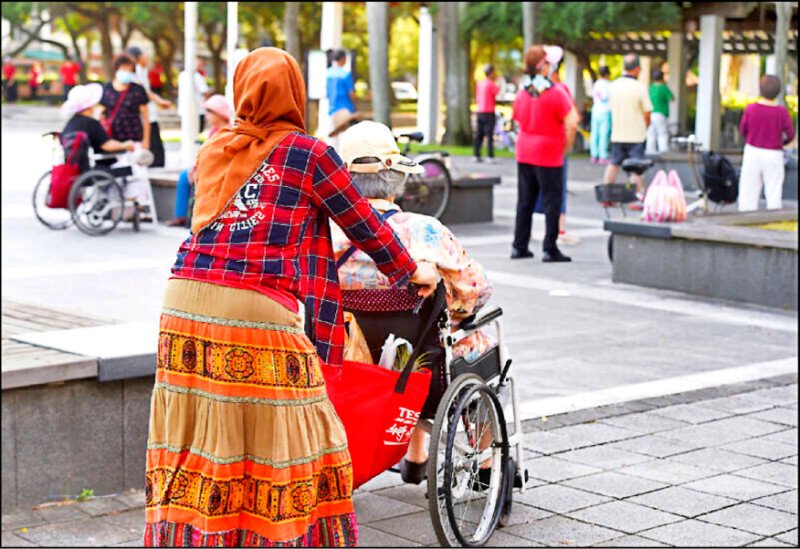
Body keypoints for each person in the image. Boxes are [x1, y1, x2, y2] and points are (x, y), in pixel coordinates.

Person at [143, 47, 438, 547]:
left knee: (208, 435)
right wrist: (412, 271)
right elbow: (365, 224)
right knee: (299, 432)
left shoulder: (215, 146)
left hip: (182, 304)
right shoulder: (309, 152)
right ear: (294, 93)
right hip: (252, 304)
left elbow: (216, 230)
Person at [331, 120, 497, 484]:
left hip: (354, 368)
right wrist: (457, 311)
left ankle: (416, 457)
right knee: (474, 339)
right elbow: (474, 291)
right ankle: (486, 467)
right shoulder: (425, 231)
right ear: (395, 179)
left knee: (419, 339)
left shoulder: (330, 237)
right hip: (428, 374)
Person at [512, 45, 580, 263]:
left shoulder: (523, 92)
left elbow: (516, 119)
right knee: (552, 200)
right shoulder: (556, 92)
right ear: (545, 65)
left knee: (525, 200)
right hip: (549, 151)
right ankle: (549, 248)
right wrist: (565, 147)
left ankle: (519, 245)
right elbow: (572, 122)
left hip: (524, 150)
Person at [536, 47, 582, 247]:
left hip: (534, 147)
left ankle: (530, 230)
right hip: (555, 145)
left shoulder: (534, 89)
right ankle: (559, 230)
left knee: (534, 188)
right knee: (557, 189)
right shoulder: (560, 90)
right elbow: (573, 120)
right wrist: (567, 146)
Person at [166, 94, 234, 227]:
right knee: (184, 176)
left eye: (209, 111)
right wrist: (195, 169)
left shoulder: (229, 131)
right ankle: (181, 215)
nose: (206, 115)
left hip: (218, 171)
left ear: (219, 113)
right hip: (207, 168)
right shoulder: (213, 131)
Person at [738, 75, 796, 212]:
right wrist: (782, 143)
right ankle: (773, 221)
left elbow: (742, 130)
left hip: (753, 150)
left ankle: (745, 221)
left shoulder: (751, 109)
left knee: (748, 189)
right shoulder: (781, 112)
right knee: (773, 190)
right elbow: (791, 135)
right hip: (774, 153)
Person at [604, 54, 653, 210]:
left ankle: (606, 196)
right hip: (635, 134)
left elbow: (610, 108)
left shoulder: (613, 86)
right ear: (637, 69)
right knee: (636, 168)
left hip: (617, 132)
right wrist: (646, 126)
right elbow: (647, 112)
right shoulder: (639, 87)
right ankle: (637, 198)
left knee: (613, 164)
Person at [60, 82, 135, 170]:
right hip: (93, 168)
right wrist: (125, 145)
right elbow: (107, 145)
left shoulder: (72, 122)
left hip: (73, 166)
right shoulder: (91, 123)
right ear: (90, 106)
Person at [126, 46, 172, 168]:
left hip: (148, 112)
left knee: (154, 139)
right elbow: (145, 92)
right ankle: (153, 164)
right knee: (152, 140)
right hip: (145, 112)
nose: (148, 57)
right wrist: (160, 101)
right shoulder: (135, 72)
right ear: (139, 57)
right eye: (145, 55)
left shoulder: (141, 71)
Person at [326, 49, 356, 145]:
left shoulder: (328, 73)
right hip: (345, 108)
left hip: (332, 108)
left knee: (332, 139)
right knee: (345, 138)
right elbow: (351, 92)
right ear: (343, 59)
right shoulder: (345, 74)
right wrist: (355, 105)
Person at [473, 63, 501, 163]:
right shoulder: (491, 84)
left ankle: (476, 154)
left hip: (480, 111)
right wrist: (498, 81)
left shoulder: (480, 83)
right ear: (492, 73)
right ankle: (490, 155)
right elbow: (498, 92)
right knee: (489, 135)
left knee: (479, 134)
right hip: (489, 112)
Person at [178, 58, 211, 133]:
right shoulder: (196, 76)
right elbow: (205, 91)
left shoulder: (182, 75)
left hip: (185, 109)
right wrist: (209, 103)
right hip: (197, 109)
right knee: (196, 130)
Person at [645, 68, 674, 155]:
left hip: (651, 113)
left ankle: (650, 150)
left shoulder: (651, 87)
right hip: (661, 113)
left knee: (651, 132)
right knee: (662, 132)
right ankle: (663, 150)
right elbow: (672, 98)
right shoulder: (664, 87)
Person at [590, 65, 612, 164]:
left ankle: (594, 154)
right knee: (604, 134)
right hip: (605, 111)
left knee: (595, 133)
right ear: (608, 74)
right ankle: (603, 155)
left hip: (595, 111)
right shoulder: (609, 84)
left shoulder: (596, 84)